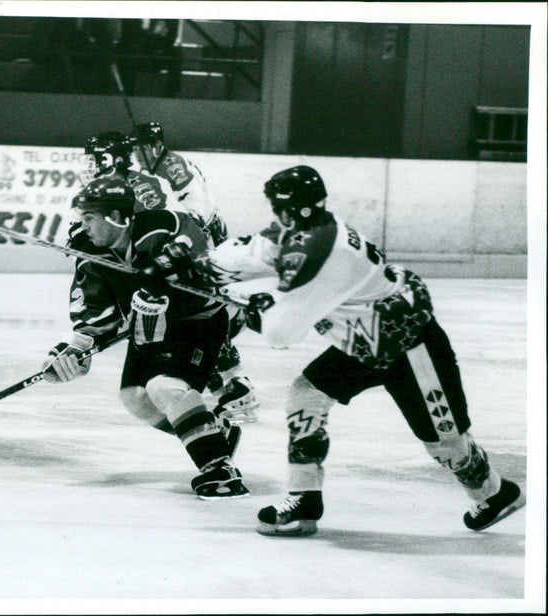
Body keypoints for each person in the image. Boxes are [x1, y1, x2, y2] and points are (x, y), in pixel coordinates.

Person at [180, 164, 525, 534]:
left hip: (409, 347)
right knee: (306, 393)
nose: (276, 216)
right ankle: (304, 497)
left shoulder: (322, 253)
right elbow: (256, 250)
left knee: (445, 443)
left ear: (292, 209)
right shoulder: (307, 229)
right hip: (365, 343)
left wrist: (256, 310)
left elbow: (282, 332)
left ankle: (495, 493)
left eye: (279, 208)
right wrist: (194, 266)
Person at [41, 176, 249, 499]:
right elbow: (94, 322)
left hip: (198, 321)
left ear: (116, 216)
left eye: (89, 219)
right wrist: (73, 354)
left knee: (164, 386)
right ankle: (211, 432)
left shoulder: (162, 225)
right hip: (149, 329)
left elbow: (196, 248)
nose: (83, 228)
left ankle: (219, 467)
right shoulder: (93, 256)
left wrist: (162, 272)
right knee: (136, 398)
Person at [130, 121, 258, 423]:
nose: (138, 154)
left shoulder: (173, 167)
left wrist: (180, 249)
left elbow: (196, 214)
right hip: (189, 247)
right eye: (134, 148)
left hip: (201, 246)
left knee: (204, 310)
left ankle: (236, 381)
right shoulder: (153, 171)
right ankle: (219, 374)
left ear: (157, 146)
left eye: (142, 147)